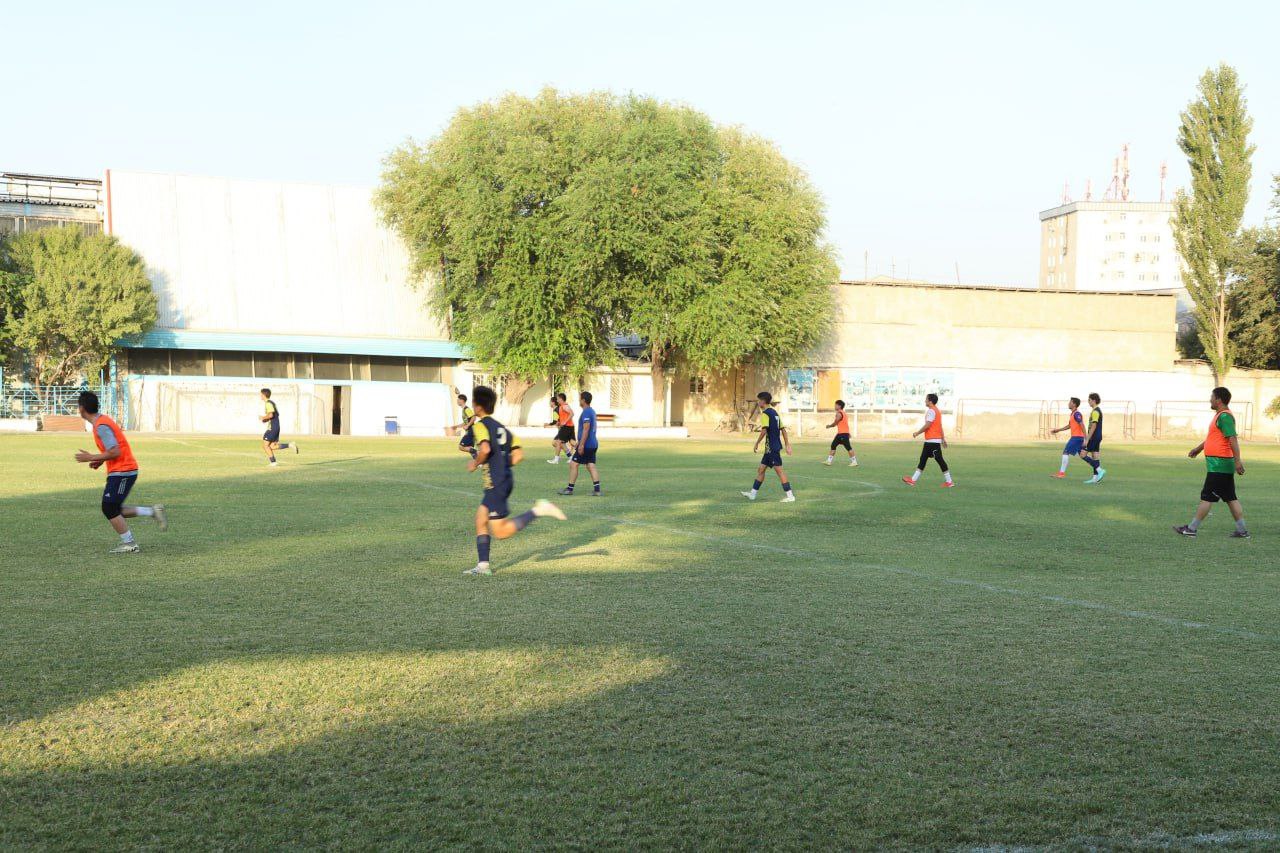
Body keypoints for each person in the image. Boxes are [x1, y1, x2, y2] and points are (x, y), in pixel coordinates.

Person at [464, 385, 565, 575]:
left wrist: (475, 463)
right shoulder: (503, 429)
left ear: (477, 406)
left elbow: (485, 449)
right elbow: (518, 456)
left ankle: (539, 510)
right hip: (502, 479)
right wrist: (501, 462)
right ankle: (483, 566)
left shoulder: (480, 426)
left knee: (500, 531)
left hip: (496, 482)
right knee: (480, 519)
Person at [73, 391, 167, 554]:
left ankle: (130, 543)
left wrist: (91, 457)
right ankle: (152, 511)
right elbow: (113, 449)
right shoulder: (102, 421)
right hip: (122, 470)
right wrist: (100, 460)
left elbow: (116, 451)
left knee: (109, 508)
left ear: (81, 408)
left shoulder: (101, 426)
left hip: (123, 470)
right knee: (114, 508)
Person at [1174, 386, 1249, 539]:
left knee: (1207, 497)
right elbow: (1213, 438)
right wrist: (1198, 449)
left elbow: (1232, 439)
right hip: (1220, 465)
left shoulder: (1224, 417)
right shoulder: (1220, 416)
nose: (1210, 400)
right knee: (1230, 498)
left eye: (1212, 397)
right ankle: (1242, 531)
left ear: (1218, 399)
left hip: (1219, 465)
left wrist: (1238, 461)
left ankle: (1191, 529)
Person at [741, 391, 795, 502]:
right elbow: (783, 430)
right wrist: (787, 444)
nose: (758, 402)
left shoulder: (765, 414)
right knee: (761, 470)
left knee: (780, 471)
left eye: (758, 400)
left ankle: (790, 496)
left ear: (763, 401)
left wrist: (757, 443)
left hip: (772, 448)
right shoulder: (775, 413)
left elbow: (764, 430)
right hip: (769, 448)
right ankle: (753, 494)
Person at [903, 393, 955, 488]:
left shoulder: (931, 411)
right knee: (923, 460)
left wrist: (917, 433)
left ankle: (949, 481)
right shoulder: (937, 411)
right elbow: (939, 426)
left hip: (932, 441)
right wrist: (943, 438)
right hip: (931, 441)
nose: (925, 401)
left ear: (930, 401)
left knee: (939, 460)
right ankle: (913, 480)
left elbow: (928, 425)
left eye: (926, 399)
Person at [558, 391, 601, 496]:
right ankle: (597, 490)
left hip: (587, 445)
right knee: (590, 465)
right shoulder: (591, 411)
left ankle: (569, 489)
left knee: (573, 464)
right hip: (593, 444)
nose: (579, 400)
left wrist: (581, 445)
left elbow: (586, 429)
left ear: (583, 400)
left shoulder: (586, 412)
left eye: (580, 398)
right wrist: (579, 442)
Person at [1049, 397, 1087, 478]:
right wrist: (1058, 430)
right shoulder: (1072, 414)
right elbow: (1069, 425)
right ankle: (1098, 469)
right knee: (1083, 456)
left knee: (1065, 452)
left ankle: (1061, 473)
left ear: (1074, 404)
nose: (1068, 404)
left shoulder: (1077, 414)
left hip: (1077, 437)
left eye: (1070, 402)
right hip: (1077, 437)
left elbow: (1082, 425)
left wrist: (1086, 438)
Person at [259, 388, 297, 467]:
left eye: (261, 394)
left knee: (265, 446)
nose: (260, 396)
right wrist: (265, 419)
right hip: (276, 426)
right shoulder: (272, 403)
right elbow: (273, 415)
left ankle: (273, 462)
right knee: (272, 446)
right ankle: (290, 445)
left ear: (264, 395)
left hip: (272, 427)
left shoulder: (268, 403)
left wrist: (263, 417)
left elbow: (271, 415)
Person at [1081, 392, 1106, 484]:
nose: (1088, 401)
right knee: (1095, 456)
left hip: (1093, 437)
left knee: (1082, 454)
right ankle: (1095, 478)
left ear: (1094, 400)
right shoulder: (1097, 410)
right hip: (1098, 436)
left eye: (1089, 400)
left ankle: (1100, 470)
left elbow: (1094, 425)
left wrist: (1087, 438)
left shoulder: (1095, 411)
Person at [824, 399, 857, 467]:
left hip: (842, 434)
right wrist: (848, 433)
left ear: (839, 406)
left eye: (835, 405)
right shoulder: (844, 413)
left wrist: (829, 426)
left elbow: (835, 423)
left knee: (848, 447)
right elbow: (845, 424)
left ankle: (854, 462)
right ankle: (829, 461)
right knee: (833, 445)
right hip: (841, 434)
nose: (834, 406)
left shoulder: (839, 413)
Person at [547, 392, 576, 464]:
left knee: (558, 442)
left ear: (561, 399)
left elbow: (572, 413)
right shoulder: (562, 406)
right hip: (569, 426)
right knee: (571, 442)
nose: (557, 400)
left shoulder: (564, 406)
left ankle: (556, 460)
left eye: (557, 399)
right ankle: (572, 457)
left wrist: (565, 422)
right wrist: (559, 423)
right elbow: (564, 417)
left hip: (566, 427)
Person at [453, 393, 478, 458]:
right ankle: (479, 461)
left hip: (471, 431)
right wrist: (456, 426)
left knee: (461, 447)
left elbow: (474, 417)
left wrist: (468, 425)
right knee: (470, 448)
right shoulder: (464, 410)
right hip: (470, 431)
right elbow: (465, 422)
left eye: (458, 400)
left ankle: (478, 452)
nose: (457, 401)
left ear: (462, 400)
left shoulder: (466, 409)